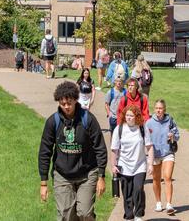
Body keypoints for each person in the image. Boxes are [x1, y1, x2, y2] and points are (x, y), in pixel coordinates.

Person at [38, 81, 108, 221]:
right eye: (62, 104)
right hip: (62, 174)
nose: (66, 107)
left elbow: (100, 148)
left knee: (84, 213)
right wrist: (43, 183)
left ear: (76, 100)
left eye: (69, 103)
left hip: (87, 173)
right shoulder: (53, 122)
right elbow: (45, 152)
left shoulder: (88, 119)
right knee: (66, 215)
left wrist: (101, 176)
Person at [111, 105, 154, 221]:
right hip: (124, 166)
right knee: (127, 193)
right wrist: (113, 165)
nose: (129, 118)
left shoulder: (142, 128)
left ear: (137, 117)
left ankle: (138, 214)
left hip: (140, 166)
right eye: (127, 115)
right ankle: (129, 215)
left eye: (131, 115)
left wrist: (150, 164)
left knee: (138, 189)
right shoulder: (119, 129)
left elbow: (149, 147)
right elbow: (114, 149)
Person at [146, 99, 179, 215]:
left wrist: (173, 136)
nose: (158, 110)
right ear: (154, 109)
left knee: (167, 177)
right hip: (154, 155)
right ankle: (158, 202)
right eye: (157, 108)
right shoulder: (149, 123)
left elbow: (177, 135)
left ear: (164, 109)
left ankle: (169, 204)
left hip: (168, 152)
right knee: (156, 179)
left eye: (160, 108)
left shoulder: (170, 120)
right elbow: (145, 139)